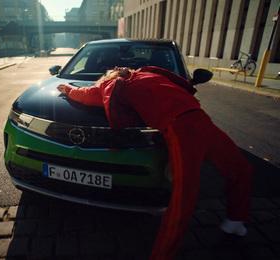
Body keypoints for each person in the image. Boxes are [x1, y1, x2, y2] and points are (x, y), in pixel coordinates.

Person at [57, 66, 254, 260]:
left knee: (242, 169)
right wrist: (67, 90)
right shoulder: (112, 86)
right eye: (110, 69)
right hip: (179, 127)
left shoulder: (145, 71)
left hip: (202, 119)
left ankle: (236, 219)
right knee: (183, 200)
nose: (116, 66)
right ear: (108, 76)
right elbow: (85, 94)